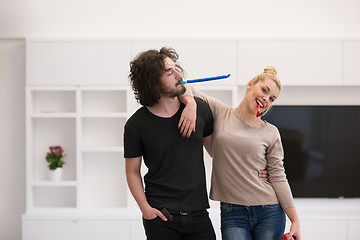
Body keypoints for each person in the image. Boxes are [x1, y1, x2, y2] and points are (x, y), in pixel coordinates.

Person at [182, 66, 301, 240]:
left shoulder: (271, 132)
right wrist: (191, 103)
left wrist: (295, 220)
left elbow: (278, 176)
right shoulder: (221, 112)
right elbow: (182, 86)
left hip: (269, 211)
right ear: (250, 84)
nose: (266, 99)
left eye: (272, 98)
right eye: (264, 90)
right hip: (232, 212)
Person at [123, 47, 216, 240]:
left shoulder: (201, 109)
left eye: (176, 68)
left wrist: (255, 167)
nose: (178, 74)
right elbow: (132, 171)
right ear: (153, 82)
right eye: (169, 72)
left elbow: (218, 154)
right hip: (160, 215)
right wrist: (146, 209)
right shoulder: (135, 125)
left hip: (198, 213)